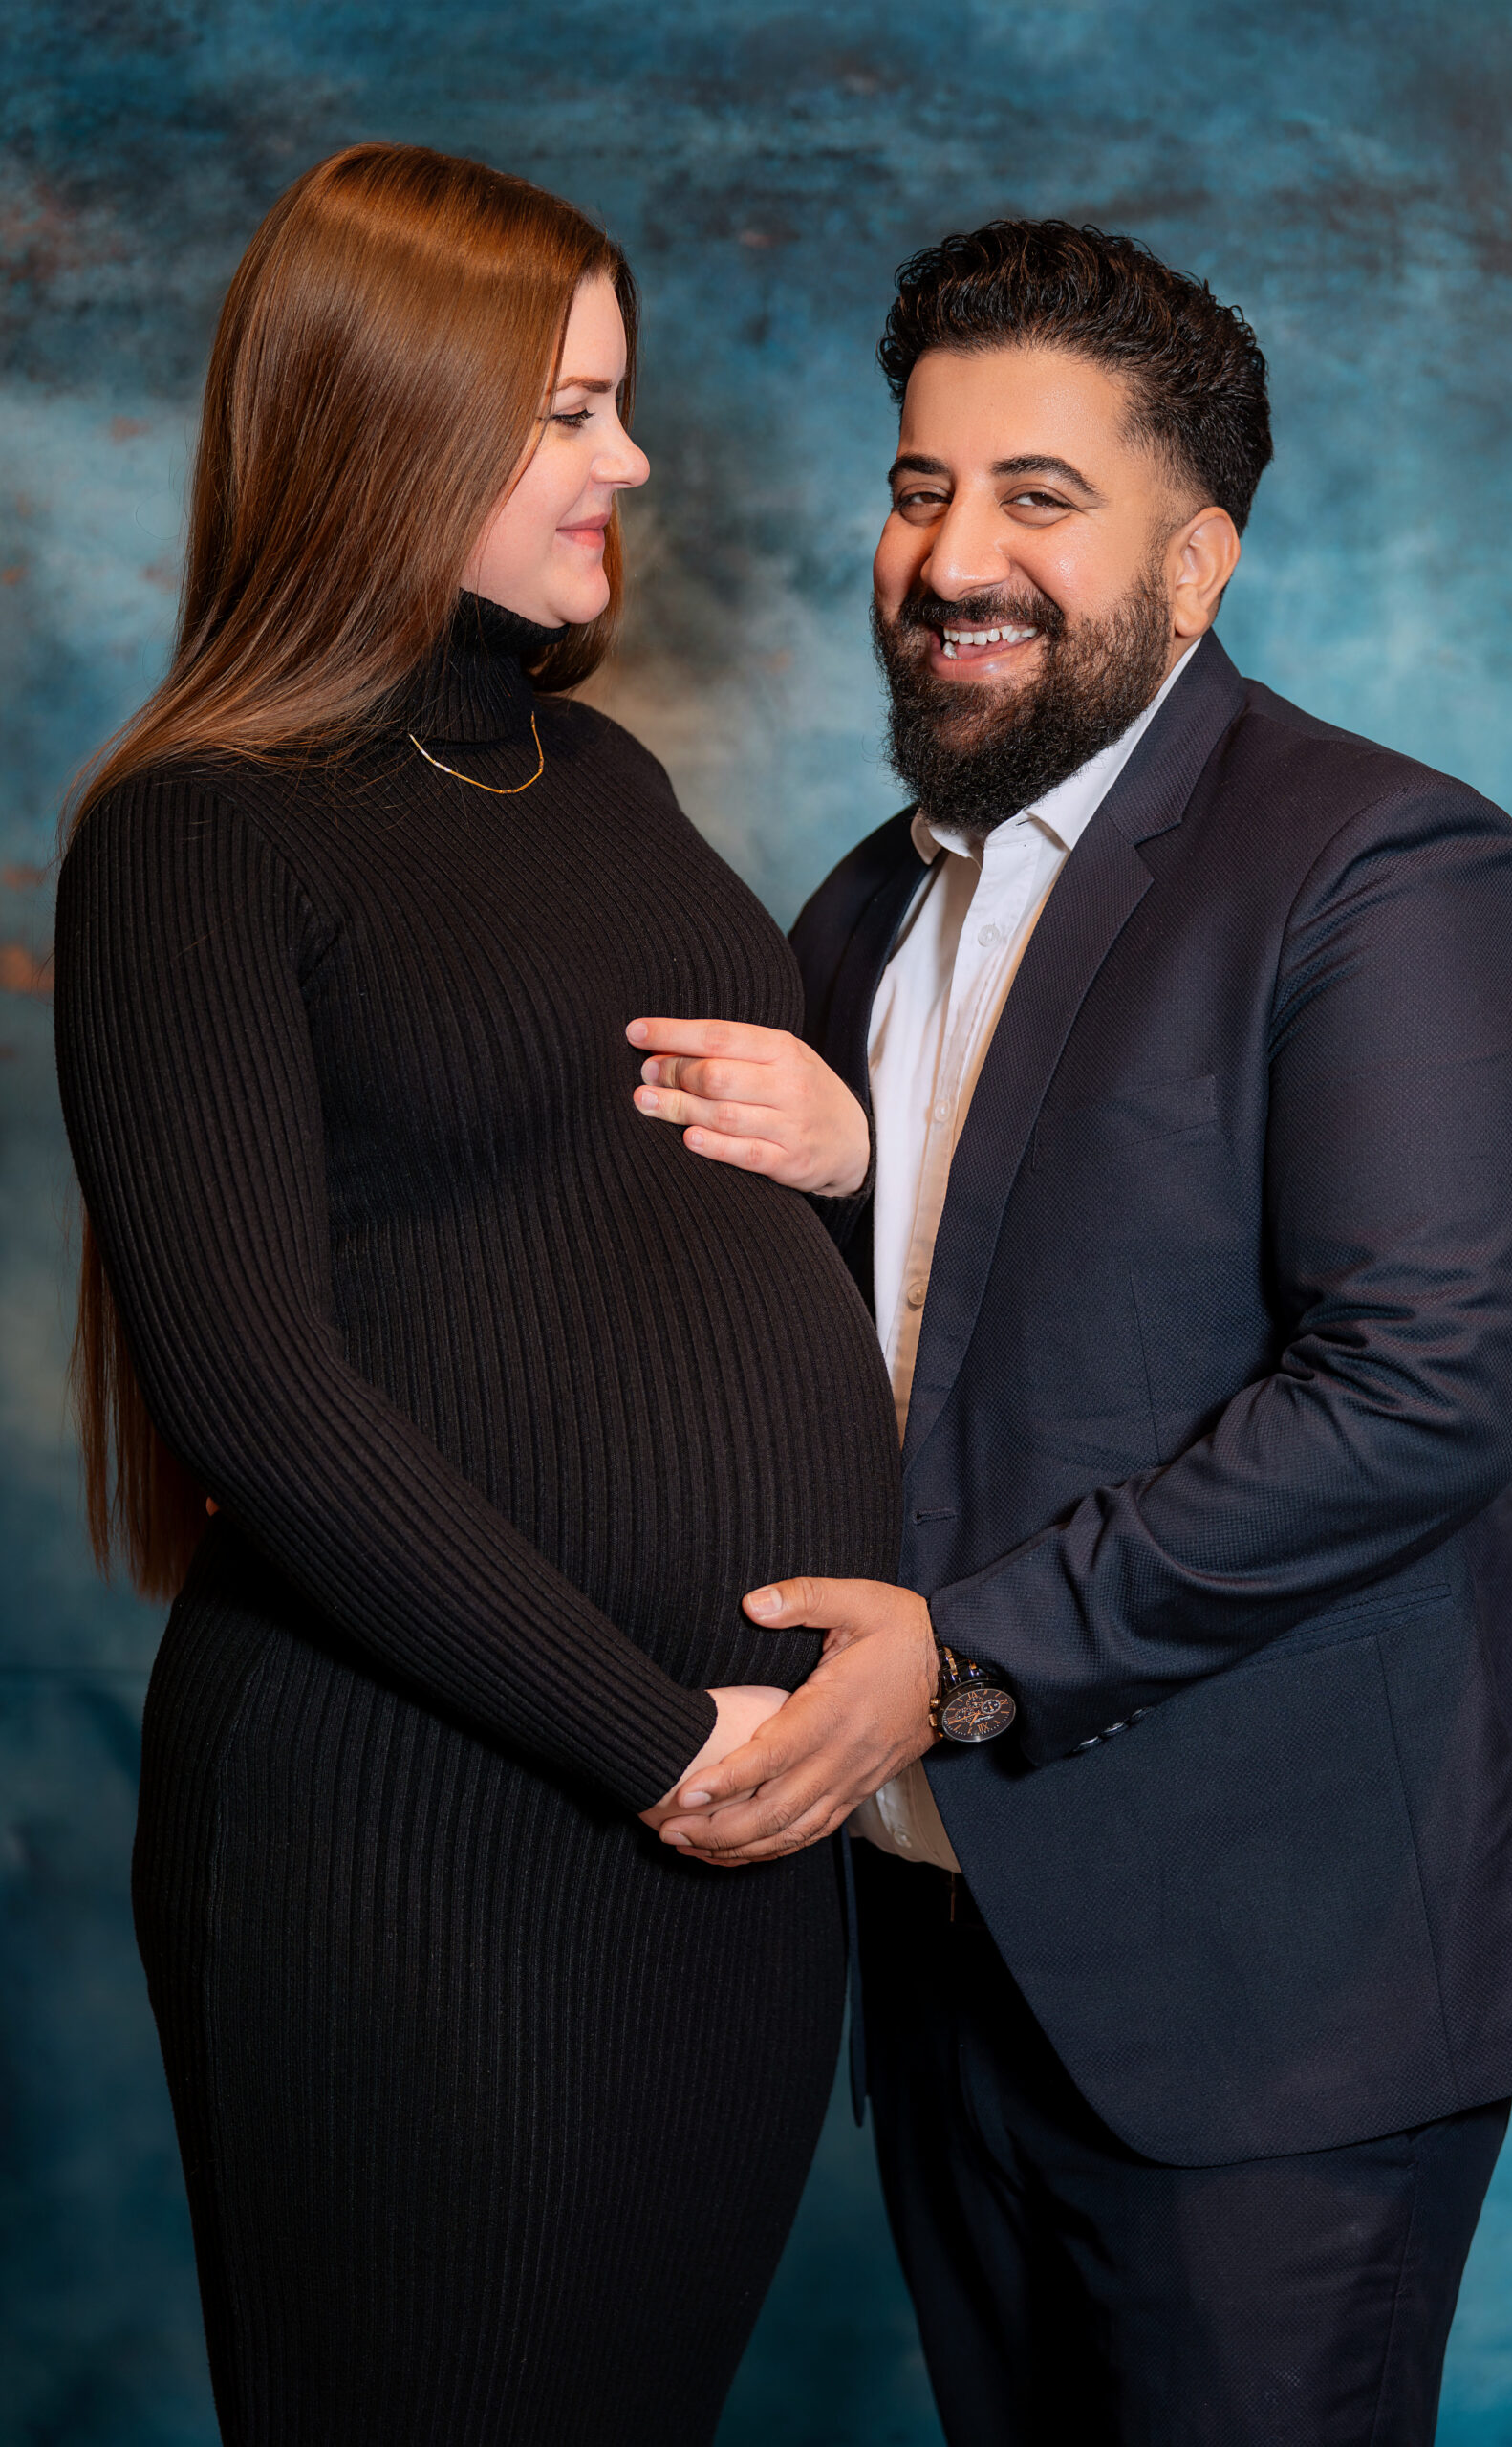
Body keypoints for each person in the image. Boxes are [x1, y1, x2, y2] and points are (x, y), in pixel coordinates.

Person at [634, 220, 1512, 2444]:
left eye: (1035, 496)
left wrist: (958, 1655)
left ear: (1195, 559)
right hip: (943, 1962)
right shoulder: (866, 906)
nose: (951, 555)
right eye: (919, 487)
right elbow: (949, 1310)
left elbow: (1418, 1389)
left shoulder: (1380, 859)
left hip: (1274, 1989)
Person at [53, 143, 902, 2447]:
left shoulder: (599, 770)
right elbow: (253, 1390)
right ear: (387, 423)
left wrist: (844, 1144)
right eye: (568, 412)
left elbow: (678, 1223)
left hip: (727, 1841)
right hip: (431, 1830)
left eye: (619, 401)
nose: (632, 462)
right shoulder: (202, 830)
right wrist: (656, 1737)